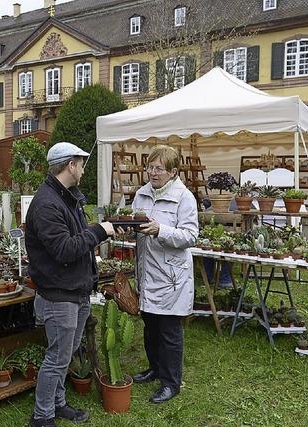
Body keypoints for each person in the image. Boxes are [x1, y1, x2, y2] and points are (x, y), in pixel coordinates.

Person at [25, 142, 115, 427]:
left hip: (76, 291)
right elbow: (64, 249)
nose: (84, 169)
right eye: (81, 163)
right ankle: (42, 417)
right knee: (57, 358)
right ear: (70, 165)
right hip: (58, 295)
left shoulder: (67, 198)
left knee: (64, 356)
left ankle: (58, 404)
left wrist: (95, 236)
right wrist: (100, 232)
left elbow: (78, 237)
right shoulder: (46, 204)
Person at [131, 145, 199, 404]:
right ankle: (155, 368)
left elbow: (190, 235)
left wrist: (161, 230)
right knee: (150, 325)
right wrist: (126, 227)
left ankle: (171, 383)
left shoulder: (184, 198)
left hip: (171, 275)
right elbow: (134, 221)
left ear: (172, 172)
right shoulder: (142, 193)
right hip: (148, 270)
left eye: (159, 168)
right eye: (150, 167)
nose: (153, 172)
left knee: (169, 329)